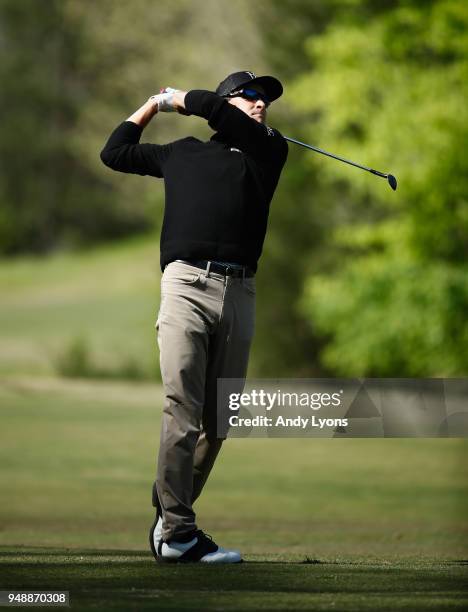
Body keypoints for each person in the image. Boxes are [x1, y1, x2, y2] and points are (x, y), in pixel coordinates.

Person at [100, 71, 288, 563]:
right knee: (181, 408)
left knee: (219, 420)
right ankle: (179, 532)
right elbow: (115, 152)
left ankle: (168, 509)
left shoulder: (268, 151)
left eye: (264, 98)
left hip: (240, 290)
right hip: (186, 286)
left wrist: (182, 98)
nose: (260, 103)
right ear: (229, 100)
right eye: (249, 95)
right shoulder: (180, 153)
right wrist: (151, 105)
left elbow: (213, 108)